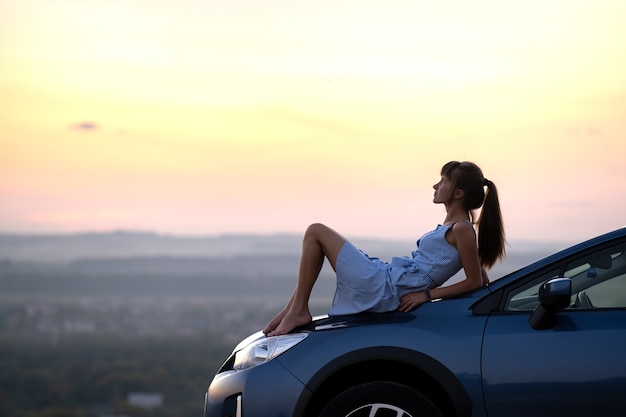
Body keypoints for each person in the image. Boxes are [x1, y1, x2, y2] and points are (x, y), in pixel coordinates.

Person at [264, 161, 506, 337]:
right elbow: (482, 277)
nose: (435, 185)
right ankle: (292, 309)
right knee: (315, 234)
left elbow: (474, 281)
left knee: (315, 231)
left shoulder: (462, 229)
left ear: (458, 193)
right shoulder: (456, 227)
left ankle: (297, 310)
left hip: (386, 287)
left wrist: (427, 295)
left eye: (443, 181)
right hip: (386, 278)